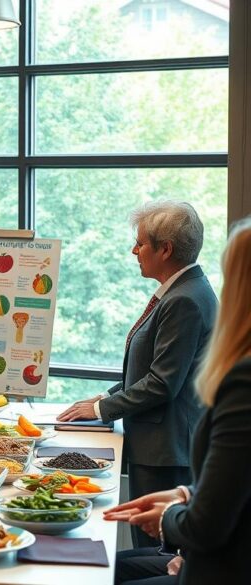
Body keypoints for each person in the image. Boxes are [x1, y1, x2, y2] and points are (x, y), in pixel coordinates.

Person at [57, 201, 217, 548]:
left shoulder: (184, 300)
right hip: (159, 446)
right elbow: (150, 368)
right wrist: (104, 397)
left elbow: (162, 382)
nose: (134, 250)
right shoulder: (181, 292)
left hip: (165, 451)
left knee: (153, 555)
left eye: (141, 242)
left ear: (166, 249)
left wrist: (101, 411)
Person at [105, 217, 251, 584]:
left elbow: (161, 381)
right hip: (204, 536)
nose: (133, 251)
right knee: (107, 564)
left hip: (218, 564)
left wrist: (170, 516)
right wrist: (185, 494)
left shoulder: (243, 381)